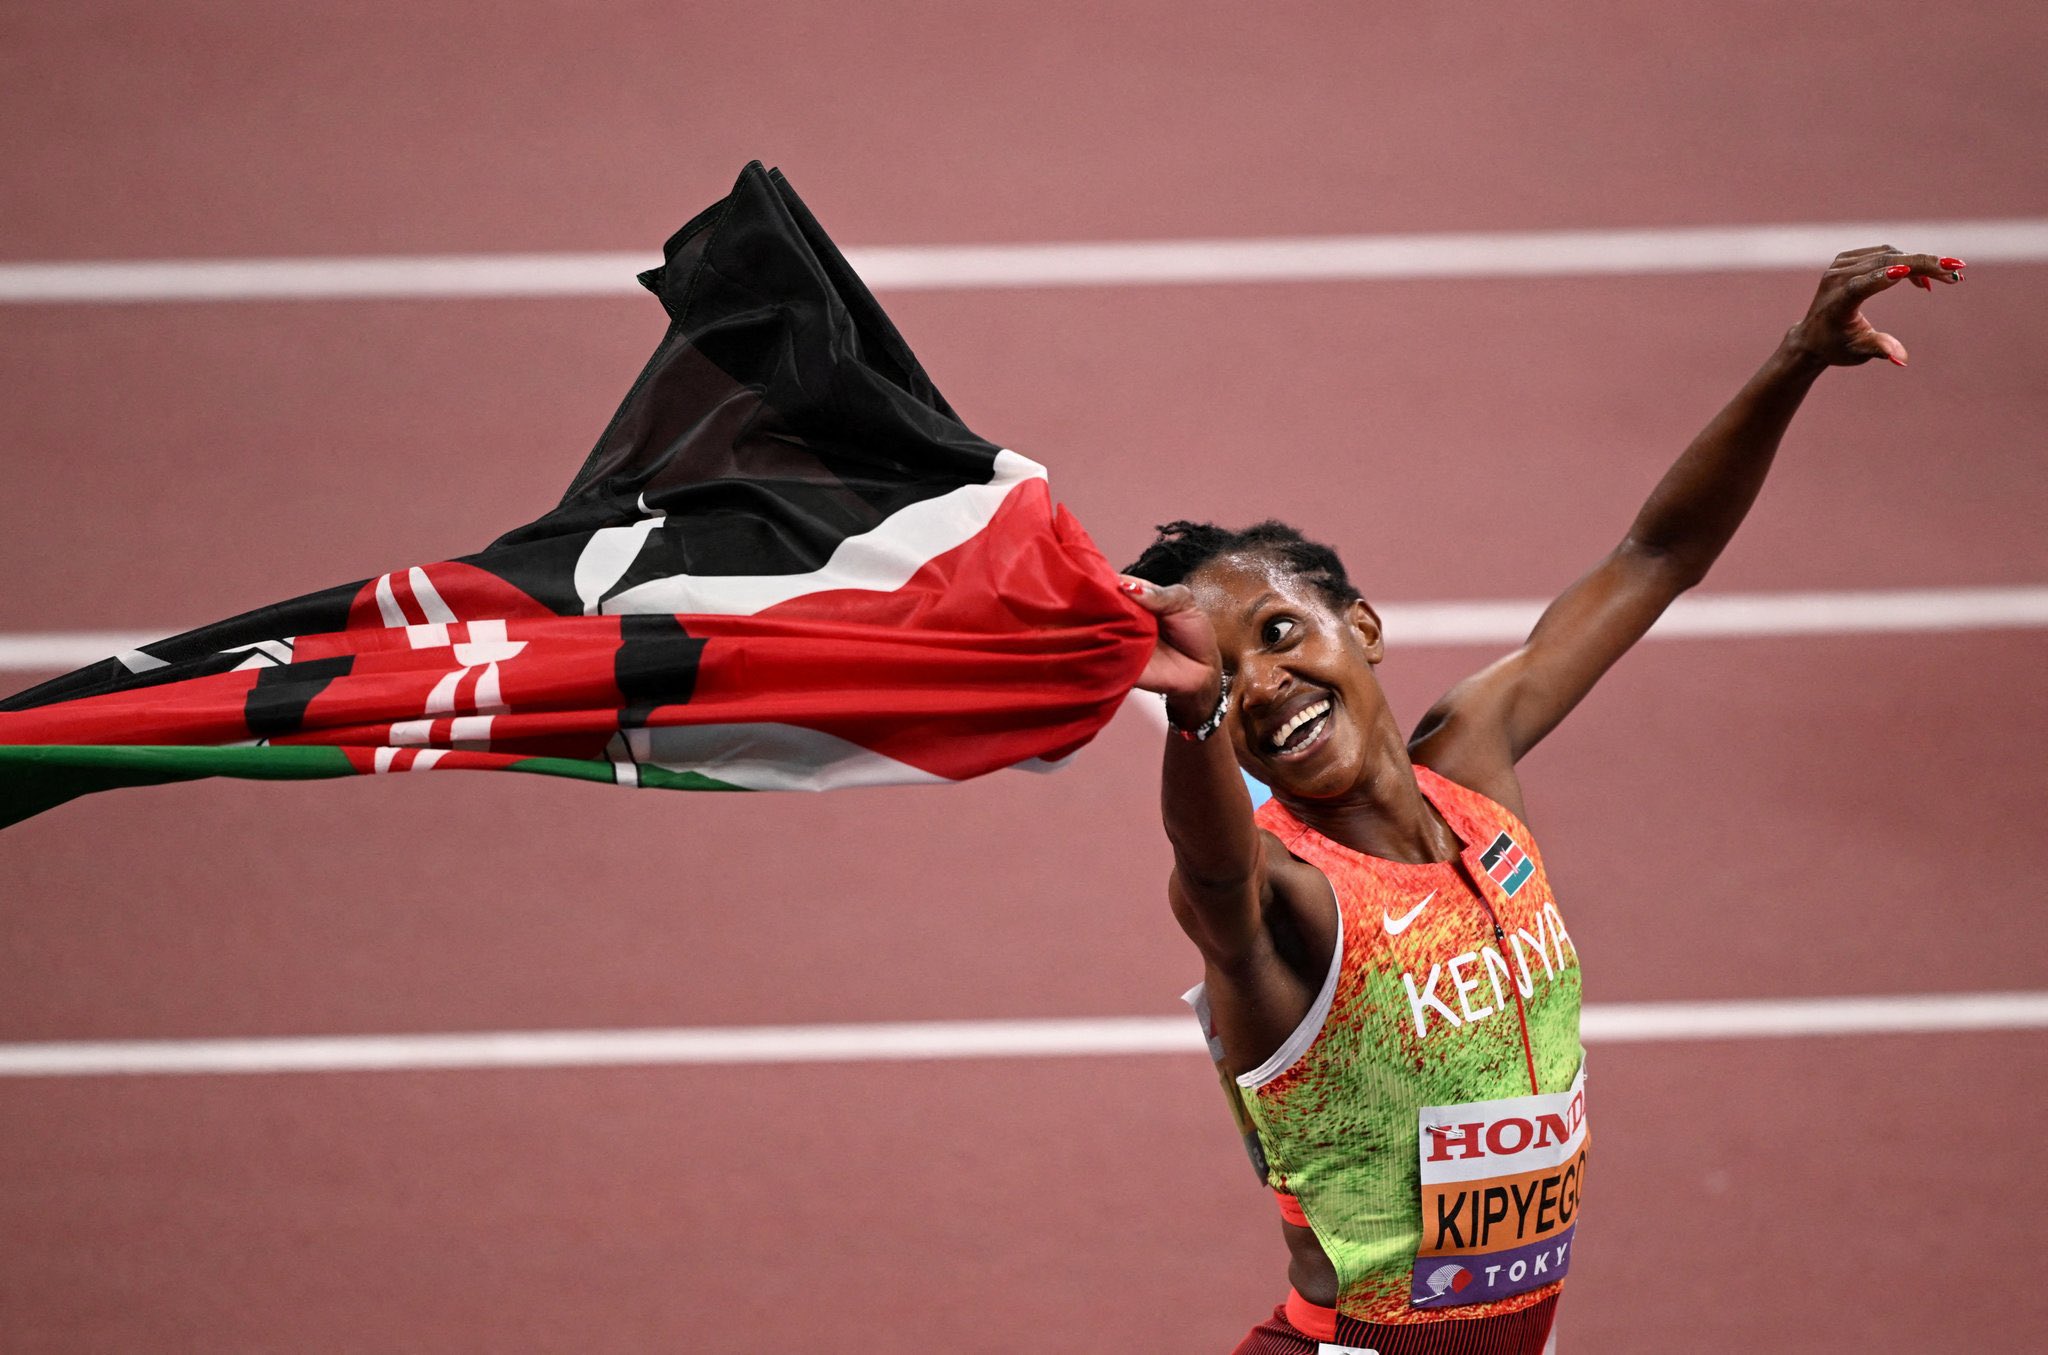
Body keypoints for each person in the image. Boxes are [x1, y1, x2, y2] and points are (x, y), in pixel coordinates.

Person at [1116, 247, 1966, 1355]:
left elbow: (1656, 554)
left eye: (1280, 633)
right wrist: (1190, 715)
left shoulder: (1473, 766)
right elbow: (1212, 865)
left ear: (1361, 627)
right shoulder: (1283, 892)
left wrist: (1795, 357)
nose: (1265, 684)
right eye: (1228, 684)